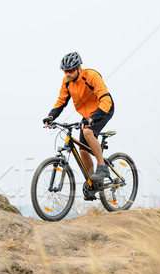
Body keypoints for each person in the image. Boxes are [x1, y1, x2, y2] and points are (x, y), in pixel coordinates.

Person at [42, 52, 114, 200]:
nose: (67, 74)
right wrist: (51, 116)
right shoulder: (66, 82)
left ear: (78, 68)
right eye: (65, 71)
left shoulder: (91, 76)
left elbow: (105, 99)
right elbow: (61, 101)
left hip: (103, 109)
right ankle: (93, 183)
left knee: (87, 132)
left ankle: (102, 168)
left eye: (70, 71)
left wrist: (94, 118)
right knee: (82, 150)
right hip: (87, 116)